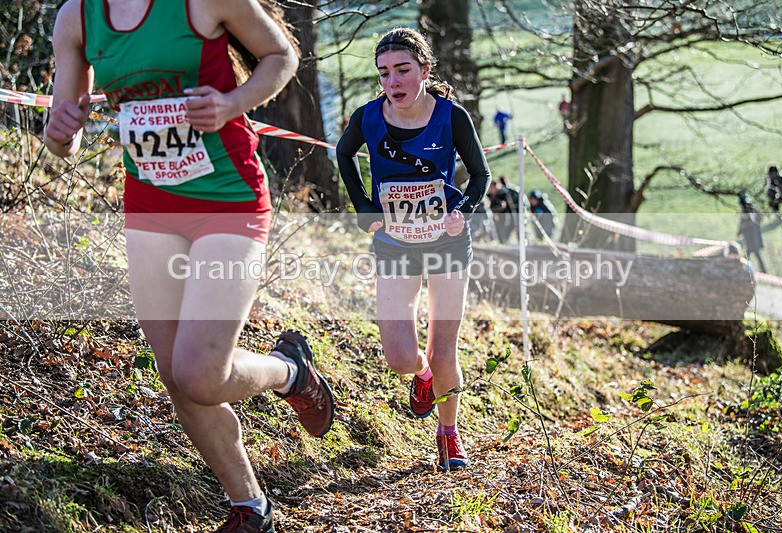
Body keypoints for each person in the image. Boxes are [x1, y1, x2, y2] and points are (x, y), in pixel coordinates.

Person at [43, 1, 335, 532]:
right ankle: (250, 507)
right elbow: (63, 138)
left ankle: (290, 370)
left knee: (200, 372)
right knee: (177, 378)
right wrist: (60, 128)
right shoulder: (76, 18)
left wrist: (231, 103)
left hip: (228, 200)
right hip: (152, 209)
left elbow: (281, 56)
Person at [336, 27, 491, 471]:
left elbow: (479, 176)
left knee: (445, 351)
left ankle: (449, 435)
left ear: (424, 69)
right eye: (384, 73)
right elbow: (344, 157)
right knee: (400, 356)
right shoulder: (367, 117)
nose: (393, 82)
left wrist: (462, 207)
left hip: (446, 242)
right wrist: (364, 205)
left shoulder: (451, 116)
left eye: (403, 71)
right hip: (394, 243)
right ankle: (422, 378)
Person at [737, 191, 767, 273]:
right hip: (751, 237)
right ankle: (759, 269)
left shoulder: (749, 211)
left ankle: (746, 269)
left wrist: (740, 232)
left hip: (752, 237)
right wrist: (739, 232)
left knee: (752, 253)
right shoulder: (751, 210)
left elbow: (744, 223)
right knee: (752, 253)